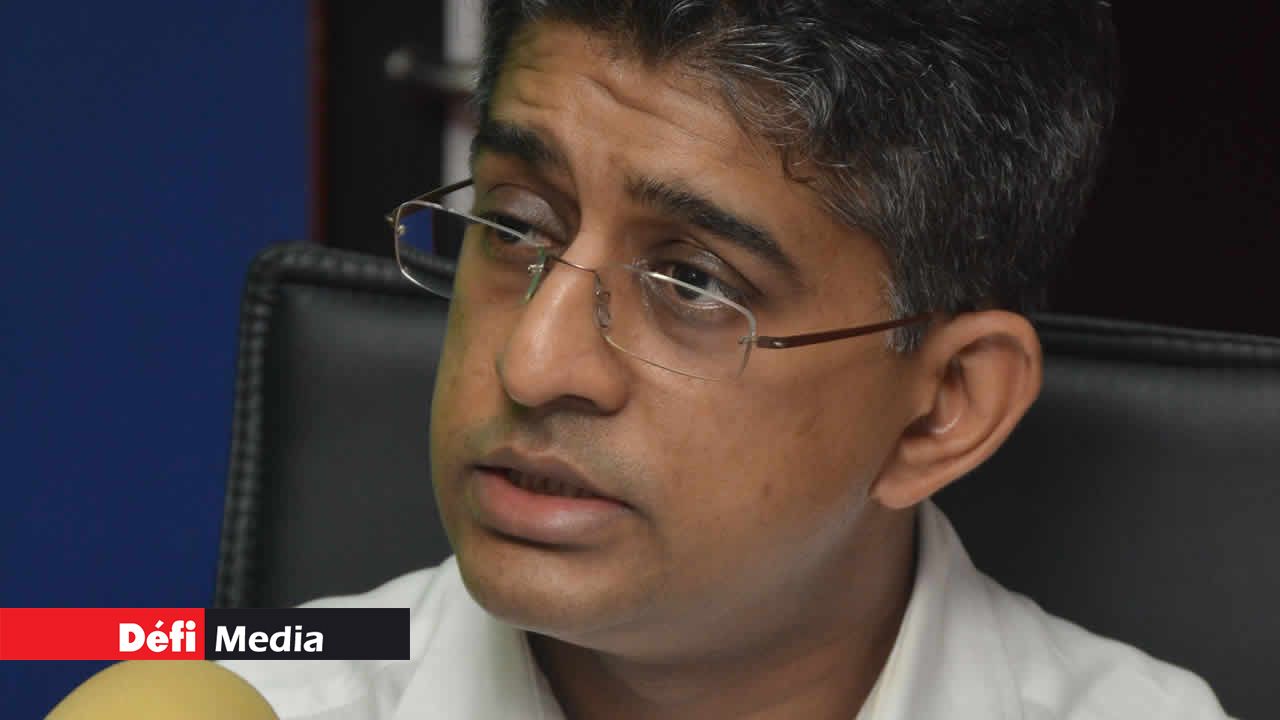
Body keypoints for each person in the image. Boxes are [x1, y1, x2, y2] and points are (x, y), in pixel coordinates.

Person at [224, 1, 1233, 718]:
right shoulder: (256, 696)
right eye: (516, 225)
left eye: (693, 283)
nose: (532, 363)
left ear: (942, 407)